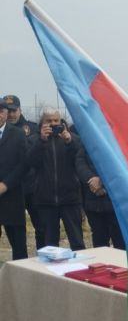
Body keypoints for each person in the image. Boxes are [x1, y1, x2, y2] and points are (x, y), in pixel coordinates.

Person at [26, 108, 85, 251]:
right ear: (42, 123)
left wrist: (69, 141)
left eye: (55, 121)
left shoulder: (72, 138)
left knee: (77, 242)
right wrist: (42, 141)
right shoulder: (34, 139)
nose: (52, 124)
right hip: (45, 199)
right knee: (50, 245)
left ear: (60, 121)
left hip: (70, 198)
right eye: (49, 121)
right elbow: (30, 162)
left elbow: (80, 160)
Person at [4, 94, 44, 249]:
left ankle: (41, 258)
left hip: (32, 187)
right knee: (16, 232)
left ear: (20, 110)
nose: (12, 114)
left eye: (14, 110)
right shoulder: (4, 132)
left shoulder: (33, 128)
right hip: (12, 190)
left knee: (41, 226)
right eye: (9, 111)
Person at [76, 146, 125, 249]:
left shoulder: (115, 140)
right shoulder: (87, 139)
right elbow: (80, 163)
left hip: (115, 202)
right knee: (99, 241)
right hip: (93, 201)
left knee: (120, 241)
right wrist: (91, 179)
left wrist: (102, 182)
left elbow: (121, 165)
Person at [0, 99, 28, 260]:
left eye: (1, 111)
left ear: (5, 113)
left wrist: (5, 185)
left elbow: (23, 165)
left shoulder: (17, 134)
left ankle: (21, 280)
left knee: (18, 246)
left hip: (12, 197)